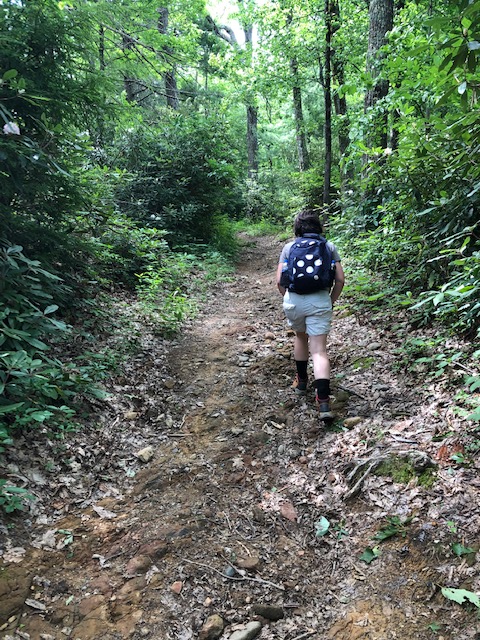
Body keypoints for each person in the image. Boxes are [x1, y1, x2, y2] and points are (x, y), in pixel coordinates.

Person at [276, 209, 345, 421]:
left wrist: (289, 298)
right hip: (320, 300)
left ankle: (302, 382)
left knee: (300, 337)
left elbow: (279, 281)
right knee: (319, 351)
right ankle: (323, 401)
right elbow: (340, 279)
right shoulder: (328, 247)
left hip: (294, 300)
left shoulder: (289, 248)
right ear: (318, 227)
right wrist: (330, 300)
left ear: (297, 228)